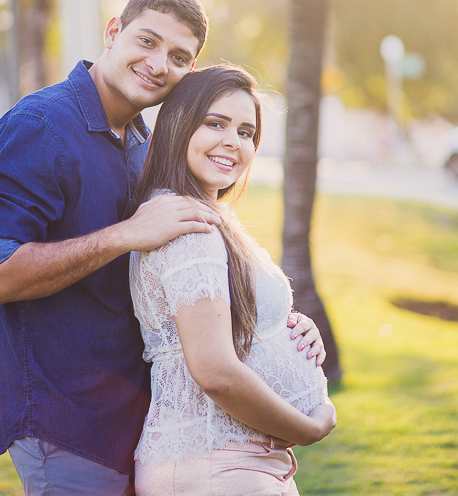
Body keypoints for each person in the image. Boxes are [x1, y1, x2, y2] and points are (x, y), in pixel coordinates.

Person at [0, 0, 324, 496]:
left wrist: (281, 328)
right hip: (63, 415)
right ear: (114, 32)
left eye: (179, 57)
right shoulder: (40, 125)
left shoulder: (143, 145)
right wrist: (125, 234)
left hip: (135, 418)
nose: (159, 64)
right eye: (148, 42)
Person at [130, 65, 336, 496]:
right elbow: (215, 372)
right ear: (179, 126)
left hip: (230, 462)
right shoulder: (189, 226)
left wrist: (288, 327)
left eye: (246, 132)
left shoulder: (204, 216)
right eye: (215, 123)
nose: (233, 142)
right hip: (216, 466)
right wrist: (312, 427)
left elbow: (228, 322)